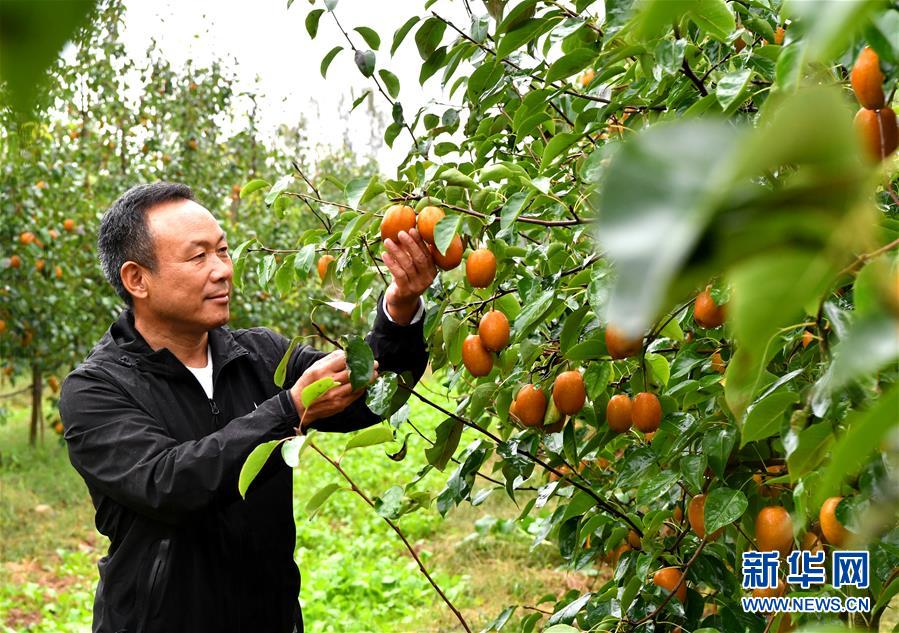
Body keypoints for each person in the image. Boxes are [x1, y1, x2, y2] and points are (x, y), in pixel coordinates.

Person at [58, 182, 436, 633]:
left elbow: (372, 396)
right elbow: (169, 483)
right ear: (137, 279)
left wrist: (400, 307)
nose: (222, 270)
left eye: (222, 251)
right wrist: (289, 409)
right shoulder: (96, 389)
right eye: (198, 257)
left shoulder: (259, 355)